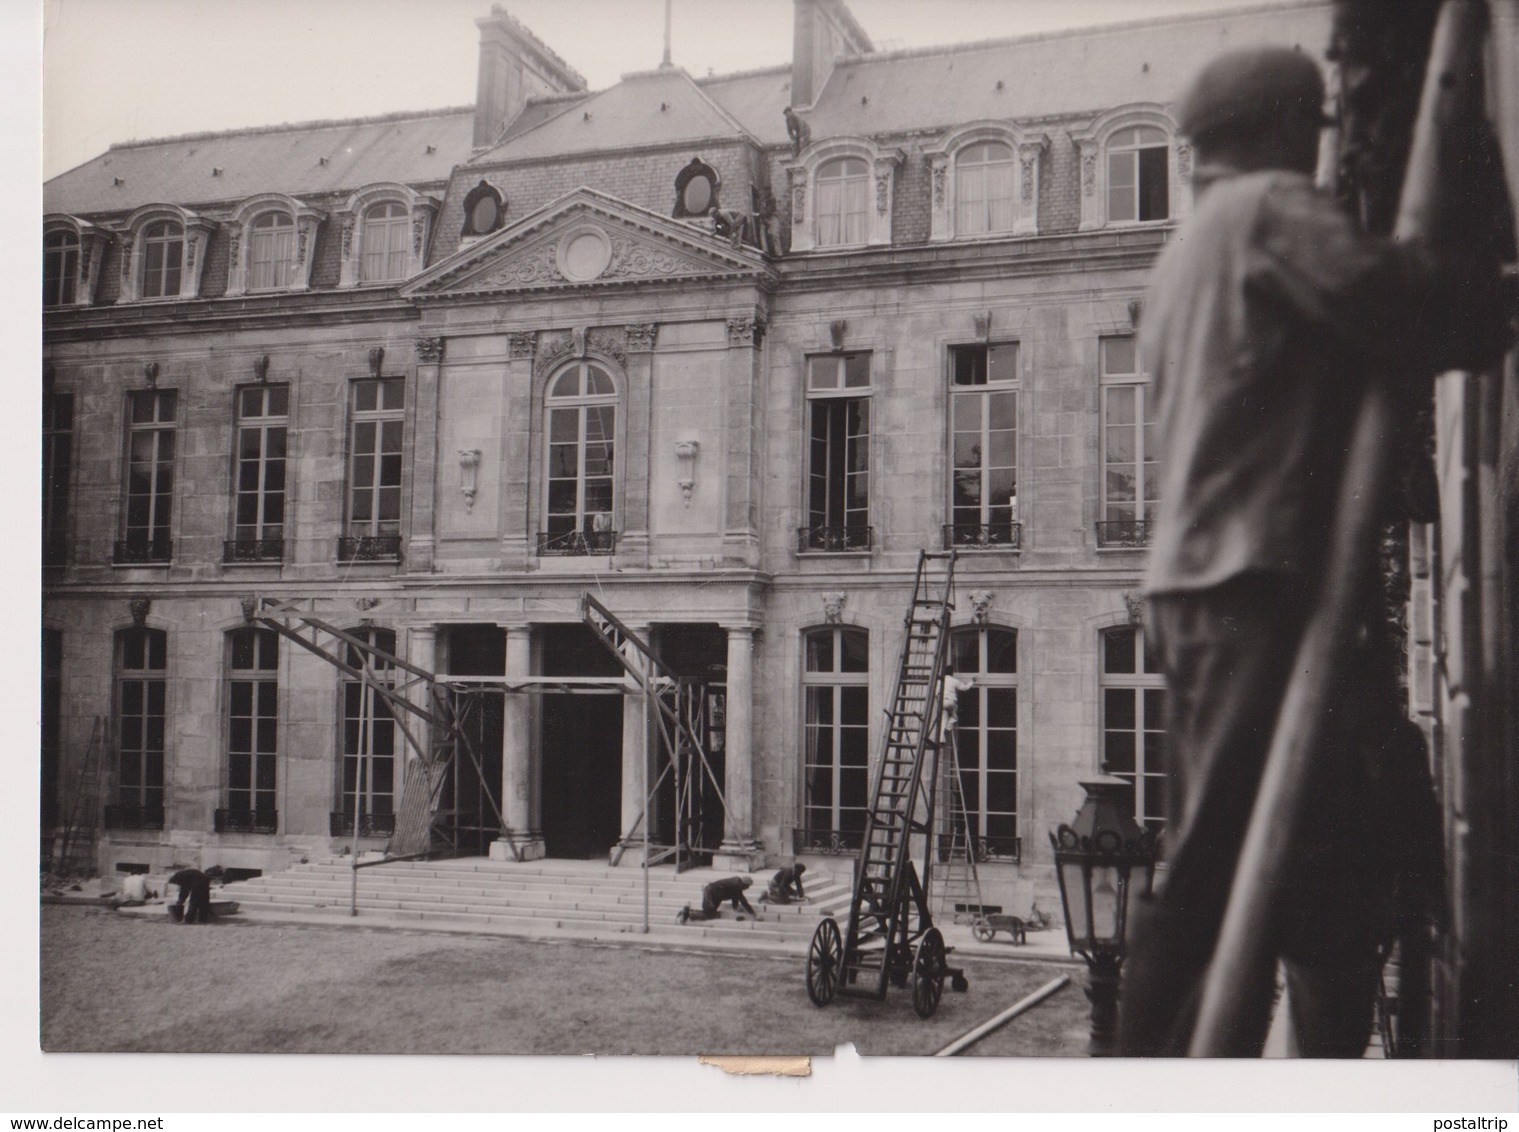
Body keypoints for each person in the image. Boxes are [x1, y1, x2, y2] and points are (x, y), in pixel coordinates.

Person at [1116, 47, 1509, 1057]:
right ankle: (1146, 1075)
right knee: (1215, 858)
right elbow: (1395, 300)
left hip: (1197, 582)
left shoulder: (1181, 253)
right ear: (1282, 131)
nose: (1318, 149)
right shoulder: (1267, 210)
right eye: (1311, 130)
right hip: (1249, 576)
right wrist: (1474, 290)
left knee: (1279, 851)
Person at [677, 876, 756, 923]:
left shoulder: (736, 883)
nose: (747, 889)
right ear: (745, 885)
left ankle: (688, 912)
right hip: (710, 894)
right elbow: (743, 900)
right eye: (747, 887)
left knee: (709, 913)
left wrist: (735, 907)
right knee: (709, 914)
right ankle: (687, 913)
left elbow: (735, 896)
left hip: (715, 895)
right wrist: (754, 914)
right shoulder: (737, 885)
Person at [939, 669, 975, 743]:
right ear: (952, 673)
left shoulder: (940, 681)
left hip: (942, 702)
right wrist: (972, 682)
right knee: (955, 717)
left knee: (943, 719)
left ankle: (942, 739)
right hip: (951, 702)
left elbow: (936, 693)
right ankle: (948, 728)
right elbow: (965, 688)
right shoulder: (953, 680)